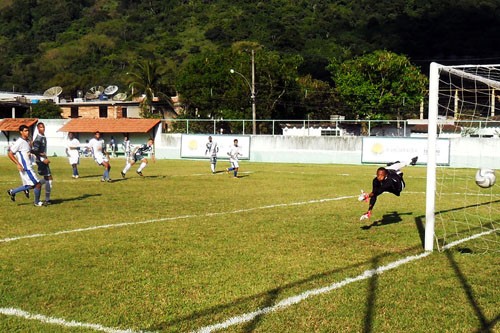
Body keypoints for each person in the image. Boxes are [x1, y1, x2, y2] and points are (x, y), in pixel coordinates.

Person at [358, 156, 418, 221]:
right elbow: (374, 194)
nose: (379, 177)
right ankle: (410, 162)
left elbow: (377, 192)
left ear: (386, 175)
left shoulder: (388, 182)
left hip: (399, 186)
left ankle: (401, 170)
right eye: (378, 175)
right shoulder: (376, 180)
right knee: (396, 165)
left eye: (381, 175)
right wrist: (369, 210)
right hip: (391, 172)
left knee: (397, 171)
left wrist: (366, 196)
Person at [7, 125, 45, 206]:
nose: (27, 132)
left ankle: (12, 192)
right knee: (37, 184)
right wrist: (18, 164)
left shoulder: (27, 141)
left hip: (29, 166)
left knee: (31, 185)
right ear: (21, 132)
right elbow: (10, 153)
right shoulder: (19, 142)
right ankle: (37, 202)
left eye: (28, 130)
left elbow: (28, 151)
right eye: (25, 131)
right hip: (26, 168)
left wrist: (38, 153)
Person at [32, 122, 52, 205]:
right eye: (40, 127)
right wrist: (42, 158)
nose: (42, 128)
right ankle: (47, 199)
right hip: (41, 161)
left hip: (43, 159)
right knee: (49, 178)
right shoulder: (38, 138)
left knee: (48, 178)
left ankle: (37, 185)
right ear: (38, 128)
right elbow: (34, 150)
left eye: (43, 127)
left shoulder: (43, 137)